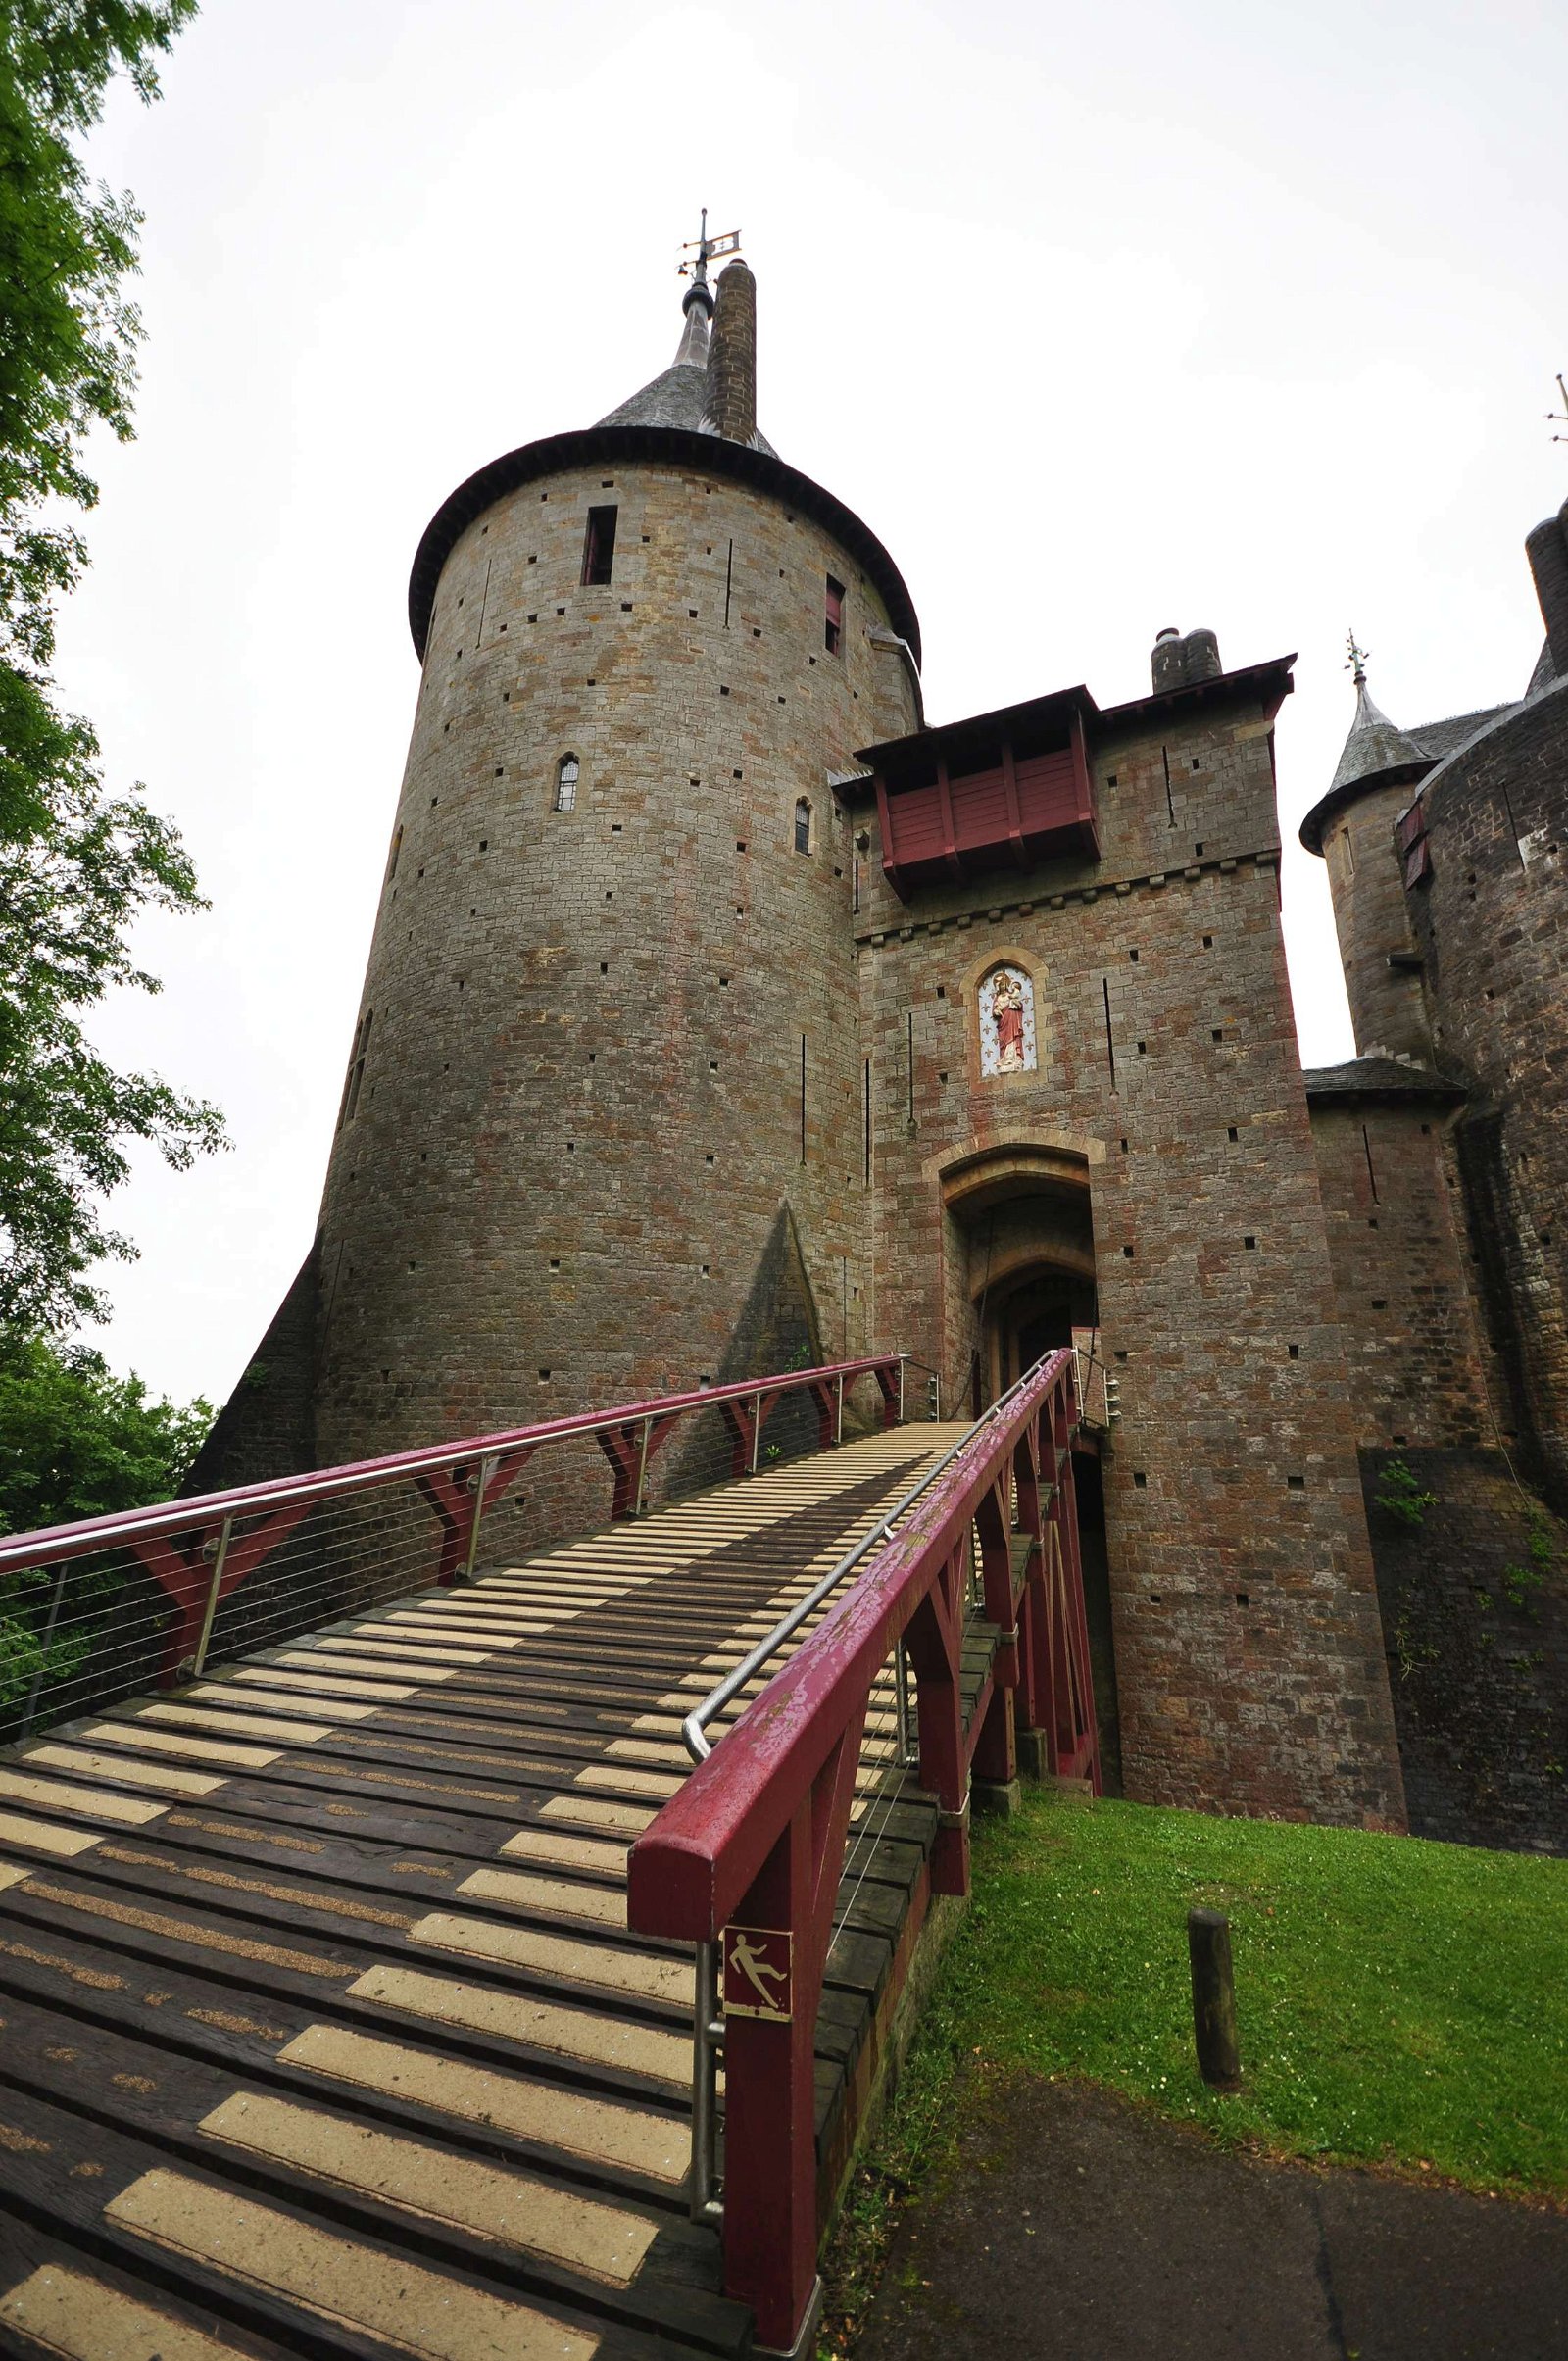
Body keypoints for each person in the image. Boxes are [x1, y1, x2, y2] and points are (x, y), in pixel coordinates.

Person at [991, 969, 1026, 1071]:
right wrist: (996, 1012)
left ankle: (1014, 1059)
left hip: (1012, 1018)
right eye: (998, 985)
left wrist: (1016, 1003)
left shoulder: (1010, 995)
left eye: (1002, 984)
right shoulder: (997, 998)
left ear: (1006, 984)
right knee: (1004, 1040)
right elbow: (995, 1009)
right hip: (1003, 1021)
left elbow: (1019, 1005)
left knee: (1013, 1038)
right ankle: (1004, 1059)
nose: (1000, 986)